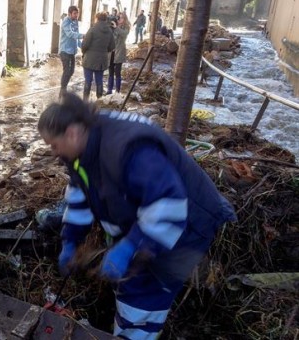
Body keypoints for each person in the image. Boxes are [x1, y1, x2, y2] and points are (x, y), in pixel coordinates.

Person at [37, 93, 236, 339]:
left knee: (145, 289)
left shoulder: (129, 148)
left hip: (187, 220)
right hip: (147, 214)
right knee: (131, 279)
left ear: (71, 133)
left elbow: (168, 203)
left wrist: (130, 246)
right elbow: (81, 192)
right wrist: (71, 239)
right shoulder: (80, 150)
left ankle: (134, 333)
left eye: (53, 145)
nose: (54, 152)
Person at [80, 12, 114, 101]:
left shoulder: (92, 29)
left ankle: (85, 102)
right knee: (99, 81)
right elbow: (112, 46)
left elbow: (85, 45)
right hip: (102, 60)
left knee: (88, 80)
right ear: (105, 19)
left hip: (89, 59)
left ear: (97, 19)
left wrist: (84, 53)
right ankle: (100, 101)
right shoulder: (109, 31)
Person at [59, 6, 81, 96]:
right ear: (69, 14)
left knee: (71, 71)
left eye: (77, 13)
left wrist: (83, 46)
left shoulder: (75, 22)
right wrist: (83, 35)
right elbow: (70, 34)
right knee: (67, 71)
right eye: (74, 13)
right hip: (64, 50)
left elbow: (76, 37)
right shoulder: (65, 22)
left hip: (72, 51)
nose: (76, 15)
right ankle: (62, 91)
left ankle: (64, 88)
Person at [107, 13, 131, 95]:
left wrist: (116, 27)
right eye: (118, 18)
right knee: (110, 72)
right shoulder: (114, 25)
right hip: (112, 52)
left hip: (119, 52)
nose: (119, 19)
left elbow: (124, 34)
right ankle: (109, 90)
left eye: (120, 18)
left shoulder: (126, 27)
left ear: (124, 19)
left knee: (117, 72)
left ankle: (117, 91)